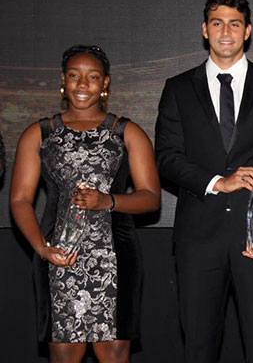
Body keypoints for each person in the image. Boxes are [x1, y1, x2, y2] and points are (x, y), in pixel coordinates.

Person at [154, 0, 253, 363]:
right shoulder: (178, 88)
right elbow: (167, 159)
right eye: (217, 23)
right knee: (199, 348)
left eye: (234, 24)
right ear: (205, 29)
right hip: (198, 238)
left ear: (247, 31)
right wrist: (218, 181)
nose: (225, 31)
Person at [10, 44, 161, 362]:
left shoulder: (126, 132)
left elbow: (150, 198)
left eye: (92, 77)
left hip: (115, 258)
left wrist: (108, 201)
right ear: (63, 80)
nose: (83, 84)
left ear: (105, 83)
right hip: (58, 256)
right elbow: (21, 199)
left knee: (115, 351)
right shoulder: (40, 133)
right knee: (63, 354)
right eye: (75, 76)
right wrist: (42, 249)